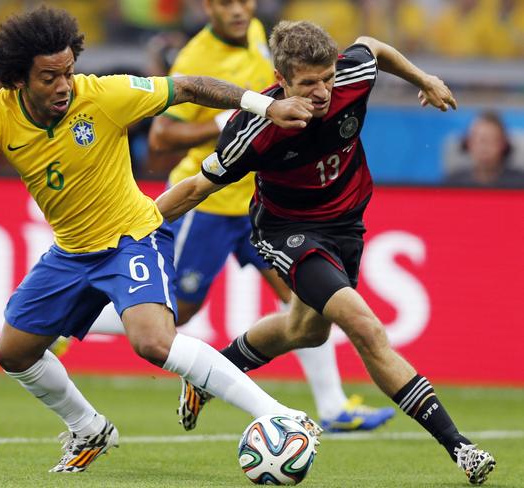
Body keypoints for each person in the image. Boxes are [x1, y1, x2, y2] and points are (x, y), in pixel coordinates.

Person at [0, 7, 320, 474]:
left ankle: (279, 414)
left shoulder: (106, 94)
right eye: (49, 77)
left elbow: (189, 87)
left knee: (153, 342)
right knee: (12, 352)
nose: (64, 85)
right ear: (17, 79)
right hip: (70, 252)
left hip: (133, 236)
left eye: (68, 72)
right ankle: (88, 427)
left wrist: (266, 105)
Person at [156, 20, 496, 484]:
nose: (321, 92)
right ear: (281, 81)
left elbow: (374, 46)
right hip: (287, 231)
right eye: (308, 84)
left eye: (327, 78)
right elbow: (197, 187)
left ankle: (210, 372)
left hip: (346, 226)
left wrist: (425, 80)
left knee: (305, 331)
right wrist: (138, 225)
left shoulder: (351, 74)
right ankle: (461, 447)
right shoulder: (253, 128)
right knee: (364, 325)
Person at [148, 0, 394, 432]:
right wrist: (227, 119)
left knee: (306, 301)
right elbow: (161, 136)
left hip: (268, 204)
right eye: (227, 3)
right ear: (208, 7)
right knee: (177, 312)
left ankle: (333, 406)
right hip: (211, 204)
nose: (240, 10)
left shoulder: (264, 38)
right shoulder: (196, 57)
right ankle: (75, 319)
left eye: (246, 0)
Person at [446, 110, 524, 187]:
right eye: (478, 140)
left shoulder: (520, 184)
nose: (484, 147)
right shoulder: (452, 184)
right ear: (468, 143)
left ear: (503, 144)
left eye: (491, 140)